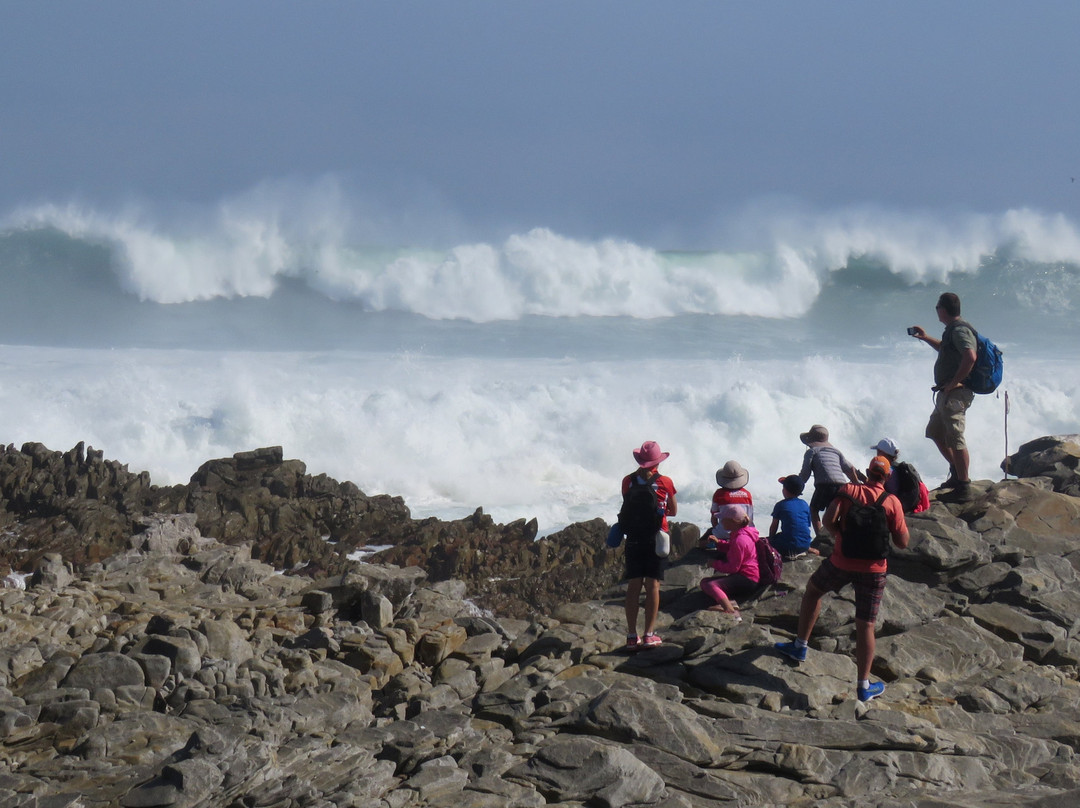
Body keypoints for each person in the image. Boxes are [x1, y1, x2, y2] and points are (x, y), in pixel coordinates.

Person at [775, 455, 910, 702]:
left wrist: (842, 537)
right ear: (887, 477)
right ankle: (863, 686)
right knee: (866, 625)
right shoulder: (892, 502)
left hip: (841, 561)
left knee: (814, 590)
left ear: (867, 472)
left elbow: (827, 521)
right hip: (874, 570)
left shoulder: (849, 490)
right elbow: (902, 542)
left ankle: (800, 646)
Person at [909, 292, 978, 502]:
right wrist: (926, 337)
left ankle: (964, 486)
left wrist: (955, 381)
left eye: (937, 307)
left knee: (956, 437)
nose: (936, 310)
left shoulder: (960, 330)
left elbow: (970, 356)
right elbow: (947, 350)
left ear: (943, 309)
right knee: (935, 432)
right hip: (946, 393)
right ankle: (957, 472)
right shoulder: (952, 331)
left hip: (955, 394)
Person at [620, 440, 677, 651]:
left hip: (634, 536)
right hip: (657, 537)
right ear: (657, 462)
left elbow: (627, 505)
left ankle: (631, 636)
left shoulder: (628, 481)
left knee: (634, 585)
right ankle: (649, 635)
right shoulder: (665, 482)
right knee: (652, 586)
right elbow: (673, 510)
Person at [797, 425, 862, 537]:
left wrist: (796, 486)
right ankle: (835, 538)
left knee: (813, 509)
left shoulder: (812, 452)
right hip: (842, 486)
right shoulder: (836, 452)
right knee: (832, 512)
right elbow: (850, 469)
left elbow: (805, 474)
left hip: (825, 484)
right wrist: (862, 480)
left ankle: (820, 537)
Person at [700, 504, 759, 619]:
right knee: (704, 582)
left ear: (733, 521)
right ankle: (732, 602)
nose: (721, 522)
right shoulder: (743, 533)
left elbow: (733, 568)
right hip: (748, 576)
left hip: (747, 579)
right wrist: (719, 543)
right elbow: (732, 548)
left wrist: (714, 564)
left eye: (723, 519)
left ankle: (730, 611)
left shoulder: (740, 540)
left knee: (711, 585)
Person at [871, 437, 930, 514]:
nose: (877, 454)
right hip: (907, 503)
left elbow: (878, 490)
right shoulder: (898, 468)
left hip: (896, 505)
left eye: (878, 451)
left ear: (882, 453)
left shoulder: (887, 470)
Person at [768, 475, 816, 560]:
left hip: (788, 547)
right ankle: (805, 548)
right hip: (805, 543)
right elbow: (806, 525)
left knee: (768, 541)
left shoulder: (780, 505)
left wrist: (770, 541)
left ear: (785, 490)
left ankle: (792, 551)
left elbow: (774, 526)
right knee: (793, 535)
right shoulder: (804, 504)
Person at [705, 460, 754, 544]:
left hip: (723, 533)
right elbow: (750, 518)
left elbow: (714, 518)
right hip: (744, 534)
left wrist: (720, 532)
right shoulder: (747, 495)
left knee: (701, 543)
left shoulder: (719, 494)